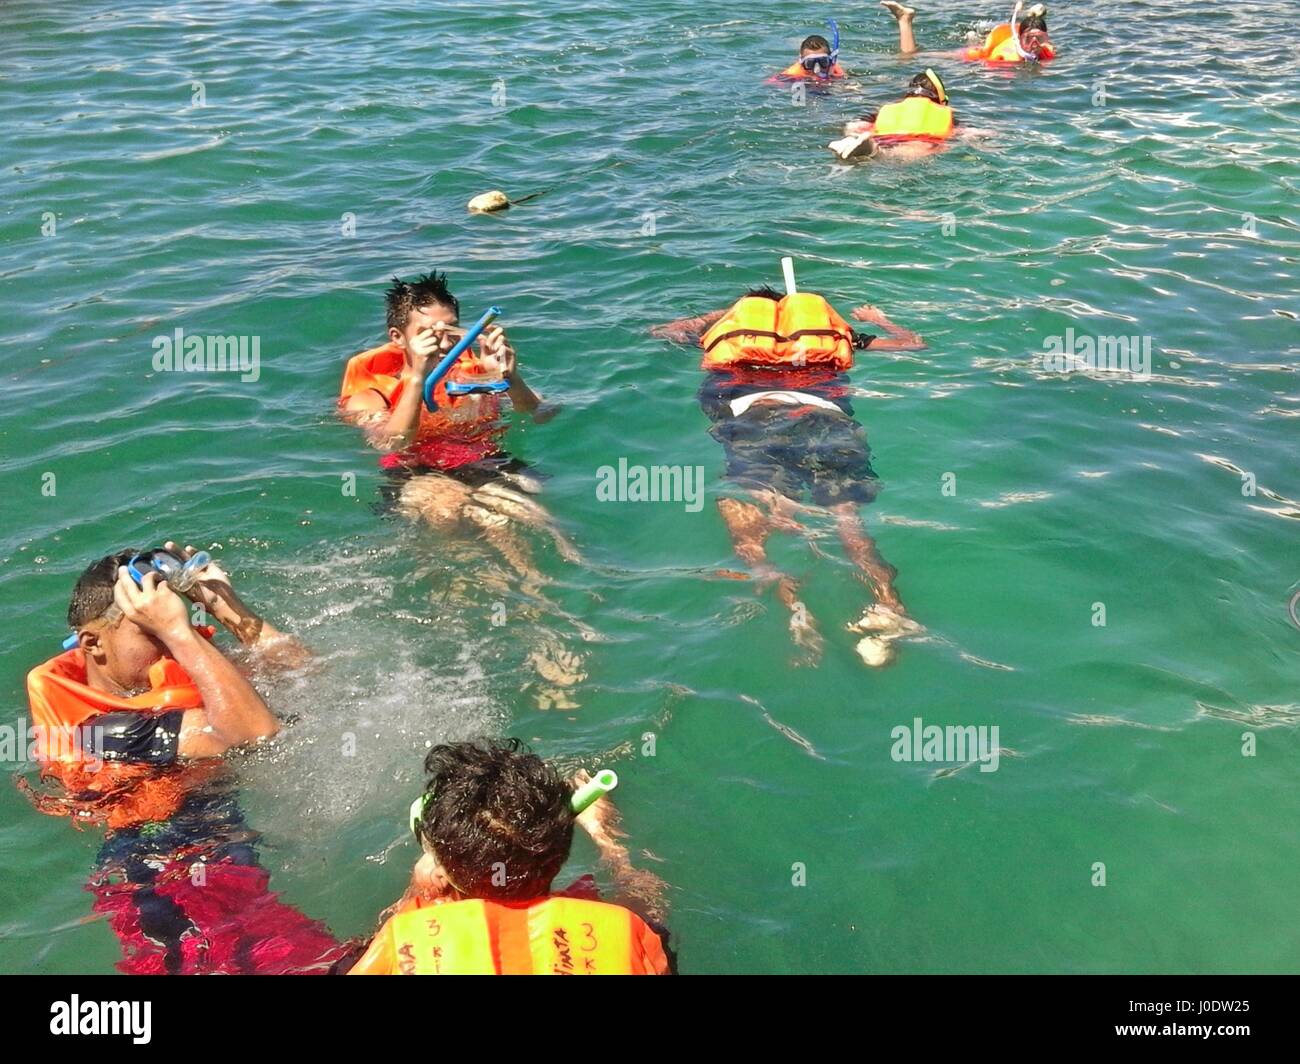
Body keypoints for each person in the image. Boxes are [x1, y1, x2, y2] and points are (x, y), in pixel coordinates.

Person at [23, 545, 352, 974]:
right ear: (93, 644)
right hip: (164, 878)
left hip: (223, 854)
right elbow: (254, 734)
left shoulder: (175, 669)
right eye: (151, 629)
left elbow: (314, 680)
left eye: (173, 619)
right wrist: (179, 632)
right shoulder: (98, 729)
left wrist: (228, 610)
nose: (174, 642)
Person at [339, 272, 588, 709]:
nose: (441, 342)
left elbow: (543, 414)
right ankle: (486, 631)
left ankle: (544, 616)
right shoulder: (371, 381)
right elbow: (391, 442)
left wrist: (512, 378)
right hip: (418, 474)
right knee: (457, 516)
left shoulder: (476, 368)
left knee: (538, 524)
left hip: (484, 464)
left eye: (449, 329)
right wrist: (417, 378)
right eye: (427, 334)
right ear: (398, 337)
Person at [651, 282, 925, 666]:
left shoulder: (732, 336)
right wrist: (879, 319)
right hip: (824, 418)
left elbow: (662, 332)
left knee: (763, 504)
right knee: (846, 516)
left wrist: (715, 317)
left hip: (755, 417)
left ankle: (785, 595)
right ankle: (889, 604)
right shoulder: (828, 336)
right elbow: (914, 344)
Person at [348, 739, 672, 975]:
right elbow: (648, 908)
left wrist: (420, 890)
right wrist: (606, 838)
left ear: (443, 869)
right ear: (558, 854)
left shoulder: (401, 939)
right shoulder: (626, 930)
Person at [828, 69, 956, 161]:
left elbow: (857, 125)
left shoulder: (889, 109)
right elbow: (968, 134)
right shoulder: (944, 113)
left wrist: (852, 132)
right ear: (941, 100)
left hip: (884, 139)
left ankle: (854, 142)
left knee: (880, 146)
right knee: (912, 153)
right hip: (919, 144)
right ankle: (875, 151)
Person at [881, 1, 1056, 64]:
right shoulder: (1006, 59)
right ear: (1019, 39)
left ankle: (976, 36)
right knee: (910, 57)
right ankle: (905, 20)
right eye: (1029, 39)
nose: (1035, 44)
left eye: (1039, 39)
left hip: (1002, 39)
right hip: (983, 54)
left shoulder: (1047, 50)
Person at [768, 31, 847, 84]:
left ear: (831, 60)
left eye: (823, 61)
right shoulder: (791, 74)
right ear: (801, 62)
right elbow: (770, 84)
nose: (817, 69)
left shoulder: (833, 68)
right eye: (810, 63)